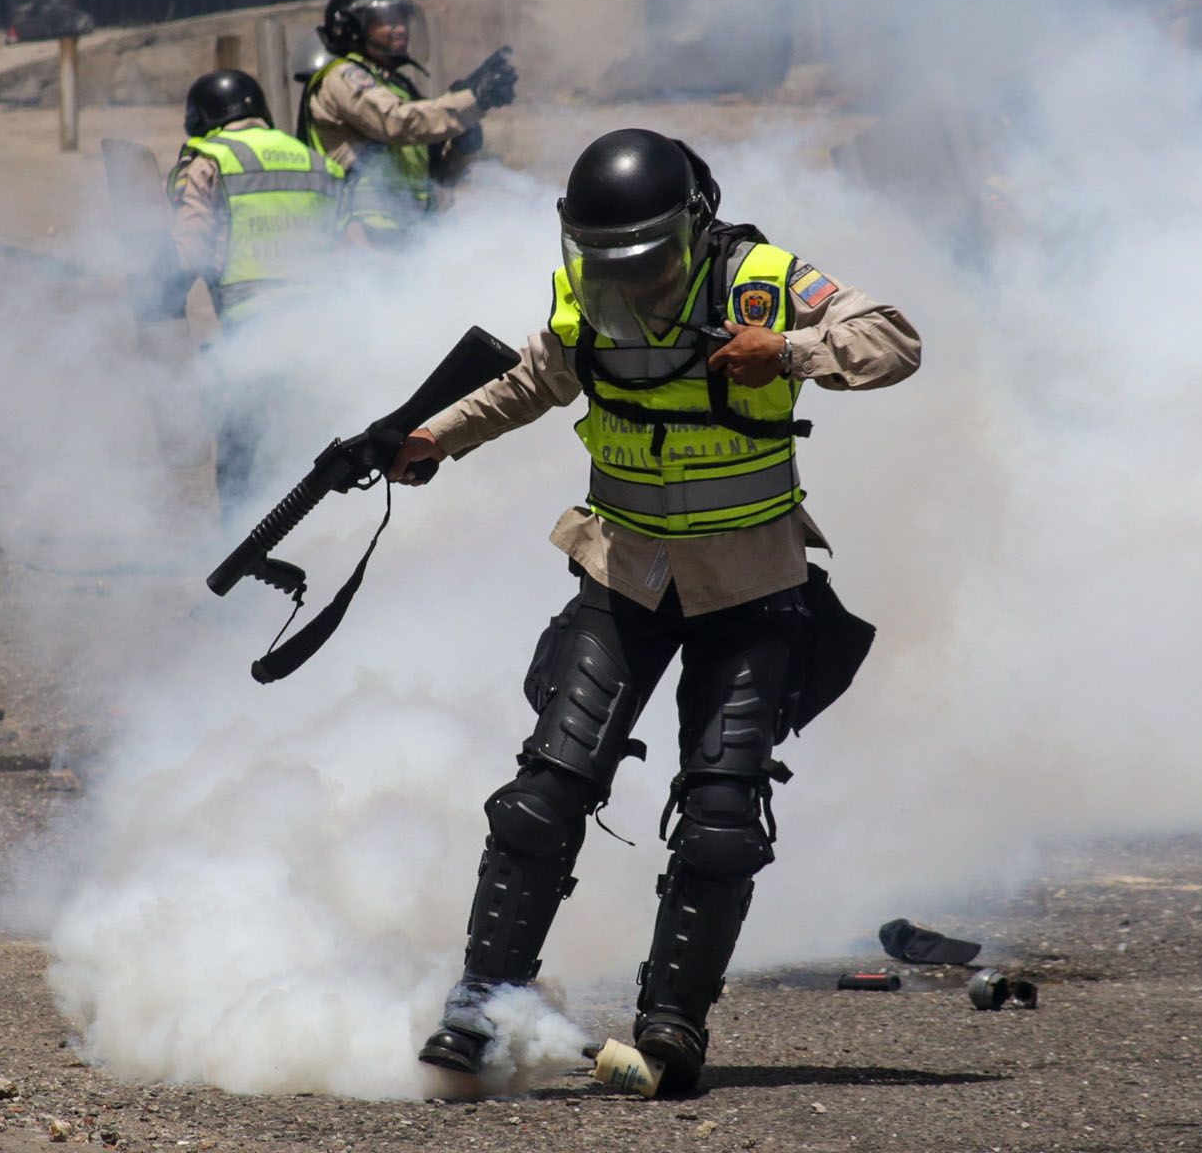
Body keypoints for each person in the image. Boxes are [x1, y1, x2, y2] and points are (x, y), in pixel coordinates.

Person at [391, 128, 922, 1093]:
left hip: (753, 585)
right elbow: (530, 381)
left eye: (646, 262)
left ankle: (672, 1026)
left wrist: (790, 350)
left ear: (691, 228)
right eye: (607, 264)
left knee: (722, 815)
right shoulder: (586, 291)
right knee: (543, 795)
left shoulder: (759, 280)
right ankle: (479, 1008)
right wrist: (433, 436)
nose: (628, 283)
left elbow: (894, 339)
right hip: (624, 573)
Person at [168, 69, 346, 515]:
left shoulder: (209, 159)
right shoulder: (313, 159)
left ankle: (241, 548)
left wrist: (158, 290)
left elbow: (189, 252)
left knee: (243, 442)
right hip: (323, 325)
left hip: (254, 329)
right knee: (306, 440)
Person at [299, 0, 518, 246]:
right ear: (352, 27)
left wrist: (460, 148)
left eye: (402, 19)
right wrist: (473, 99)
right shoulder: (343, 76)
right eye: (386, 20)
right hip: (360, 237)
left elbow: (435, 177)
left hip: (408, 234)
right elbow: (396, 122)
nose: (400, 28)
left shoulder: (396, 88)